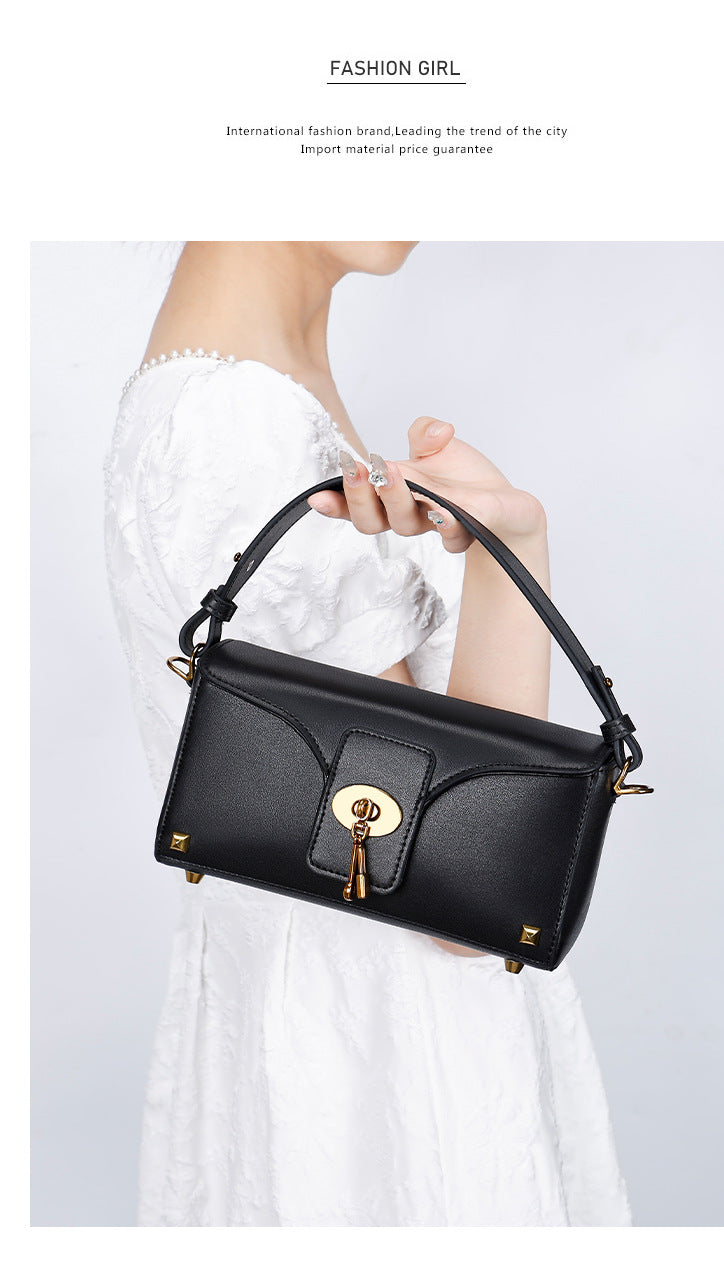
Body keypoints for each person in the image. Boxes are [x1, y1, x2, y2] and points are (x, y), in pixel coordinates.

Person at [104, 241, 631, 1226]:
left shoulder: (251, 385)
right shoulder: (235, 420)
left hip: (326, 1008)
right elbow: (455, 882)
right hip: (380, 1048)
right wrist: (515, 542)